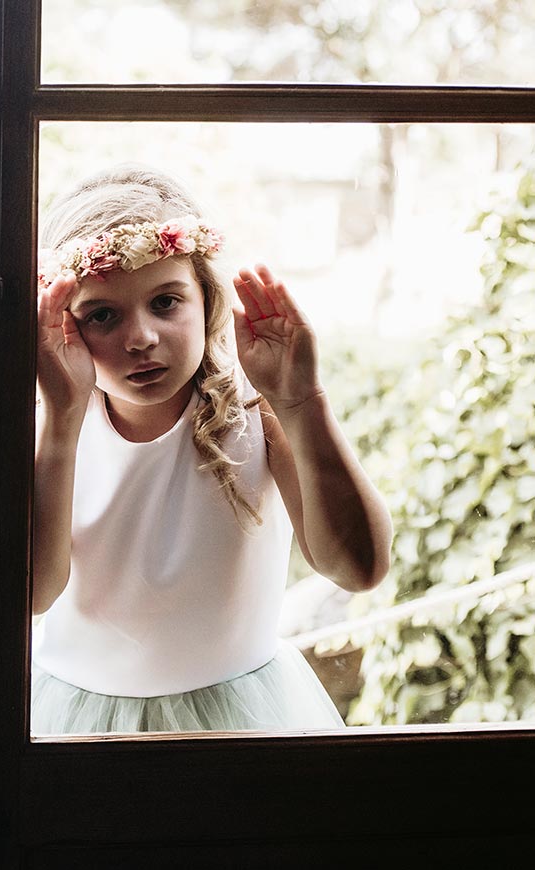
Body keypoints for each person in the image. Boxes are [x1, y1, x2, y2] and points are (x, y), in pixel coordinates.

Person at [32, 166, 393, 734]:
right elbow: (31, 595)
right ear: (63, 327)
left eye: (166, 302)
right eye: (103, 314)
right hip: (75, 721)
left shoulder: (259, 408)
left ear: (207, 300)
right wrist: (60, 420)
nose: (142, 338)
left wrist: (304, 403)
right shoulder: (50, 424)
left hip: (242, 716)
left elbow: (359, 569)